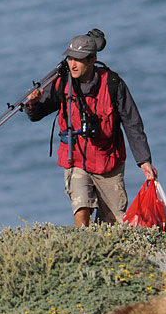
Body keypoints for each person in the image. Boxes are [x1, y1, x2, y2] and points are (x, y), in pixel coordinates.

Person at [25, 32, 158, 227]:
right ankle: (84, 250)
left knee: (116, 225)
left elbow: (133, 124)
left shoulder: (113, 84)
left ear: (93, 59)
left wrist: (144, 161)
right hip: (76, 160)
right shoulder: (62, 83)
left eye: (78, 59)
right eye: (70, 58)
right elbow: (37, 115)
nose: (73, 64)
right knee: (81, 209)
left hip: (108, 164)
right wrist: (33, 104)